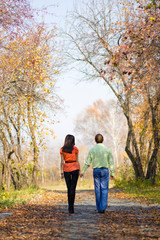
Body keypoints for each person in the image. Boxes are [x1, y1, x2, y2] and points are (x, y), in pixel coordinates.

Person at [80, 133, 114, 213]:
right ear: (103, 140)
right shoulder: (107, 149)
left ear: (95, 140)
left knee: (97, 189)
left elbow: (88, 162)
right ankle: (103, 207)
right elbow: (111, 162)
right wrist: (112, 172)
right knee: (104, 189)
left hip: (96, 171)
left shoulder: (92, 150)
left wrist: (83, 171)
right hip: (105, 170)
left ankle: (99, 208)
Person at [60, 134, 81, 214]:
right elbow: (78, 160)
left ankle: (70, 207)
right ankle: (72, 207)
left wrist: (61, 172)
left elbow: (62, 162)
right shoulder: (75, 149)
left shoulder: (62, 149)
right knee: (73, 188)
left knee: (69, 188)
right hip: (75, 168)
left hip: (66, 169)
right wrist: (80, 170)